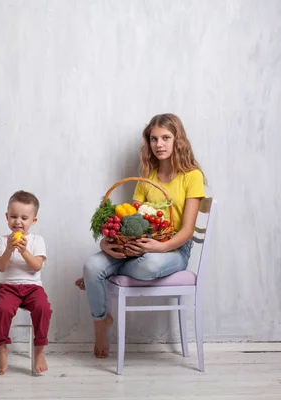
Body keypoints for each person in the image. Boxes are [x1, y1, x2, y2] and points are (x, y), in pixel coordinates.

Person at [75, 113, 206, 358]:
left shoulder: (192, 176)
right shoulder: (148, 177)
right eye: (154, 139)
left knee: (147, 266)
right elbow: (131, 221)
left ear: (178, 140)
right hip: (139, 246)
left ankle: (105, 274)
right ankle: (101, 321)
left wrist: (158, 247)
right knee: (92, 265)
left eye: (166, 137)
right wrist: (106, 243)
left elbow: (187, 230)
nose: (159, 144)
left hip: (174, 249)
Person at [0, 190, 52, 375]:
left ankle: (39, 349)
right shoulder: (2, 241)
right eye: (14, 216)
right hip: (8, 288)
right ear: (7, 217)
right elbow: (1, 267)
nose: (18, 221)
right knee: (2, 309)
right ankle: (2, 346)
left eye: (24, 217)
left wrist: (25, 251)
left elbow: (37, 266)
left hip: (33, 288)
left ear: (33, 220)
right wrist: (9, 250)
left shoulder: (37, 240)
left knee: (43, 308)